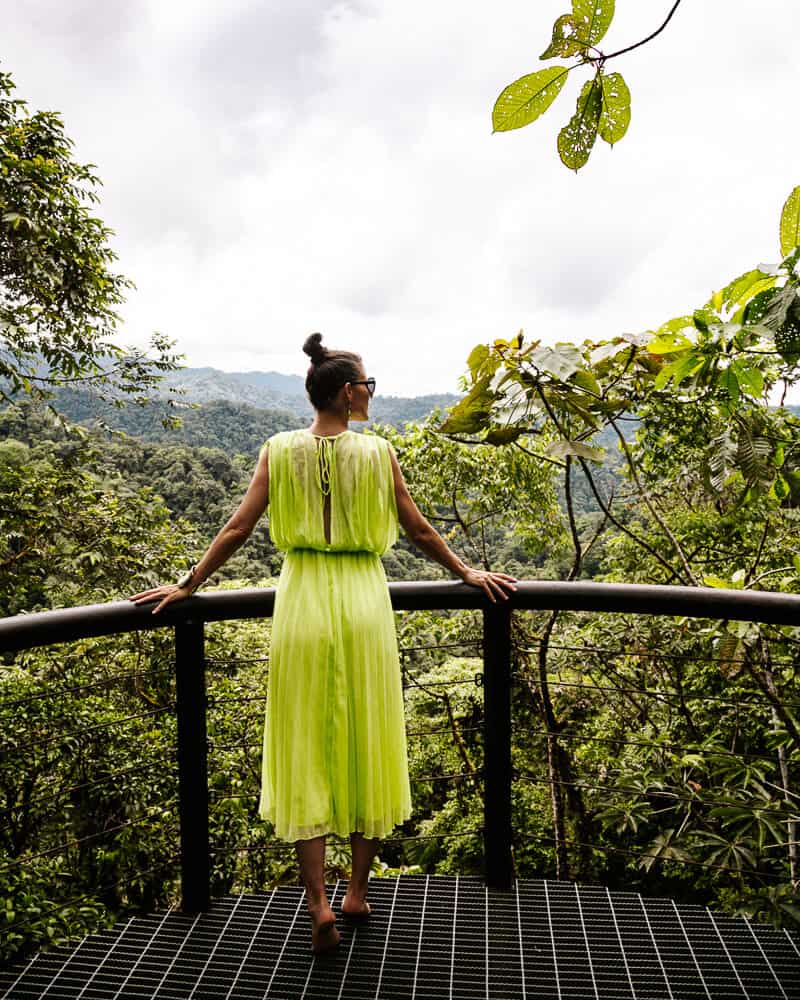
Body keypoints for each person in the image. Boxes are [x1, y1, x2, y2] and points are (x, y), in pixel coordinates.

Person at [130, 333, 517, 954]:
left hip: (301, 603)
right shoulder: (378, 453)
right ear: (346, 392)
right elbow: (418, 529)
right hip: (364, 602)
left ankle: (316, 905)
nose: (370, 393)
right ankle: (357, 893)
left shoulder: (278, 451)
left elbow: (237, 526)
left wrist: (187, 584)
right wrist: (468, 574)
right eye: (367, 384)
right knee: (367, 735)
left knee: (305, 741)